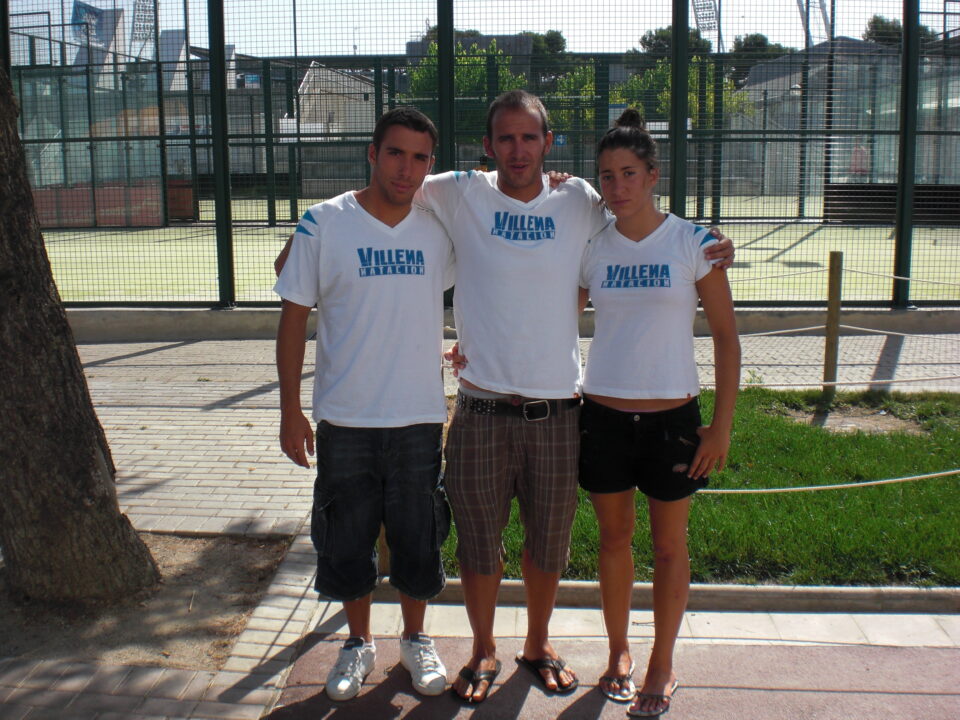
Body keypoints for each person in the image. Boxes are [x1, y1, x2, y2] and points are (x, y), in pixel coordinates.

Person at [415, 90, 735, 703]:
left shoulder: (581, 201)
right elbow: (390, 190)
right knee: (482, 543)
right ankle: (487, 650)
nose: (517, 149)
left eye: (529, 138)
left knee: (550, 543)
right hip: (487, 407)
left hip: (563, 411)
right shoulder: (458, 191)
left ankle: (539, 645)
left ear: (548, 144)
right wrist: (313, 234)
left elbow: (649, 238)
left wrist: (714, 243)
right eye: (505, 138)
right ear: (487, 146)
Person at [274, 107, 455, 702]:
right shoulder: (324, 223)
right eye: (396, 153)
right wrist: (290, 409)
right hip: (345, 418)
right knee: (348, 537)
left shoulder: (438, 225)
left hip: (419, 416)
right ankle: (357, 644)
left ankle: (414, 638)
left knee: (417, 534)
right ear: (372, 154)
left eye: (420, 157)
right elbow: (294, 314)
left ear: (431, 165)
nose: (407, 168)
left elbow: (502, 255)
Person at [577, 108, 740, 716]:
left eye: (628, 173)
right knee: (614, 540)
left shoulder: (694, 241)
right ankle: (618, 651)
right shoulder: (592, 247)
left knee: (671, 548)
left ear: (652, 175)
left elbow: (726, 337)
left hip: (674, 421)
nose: (617, 186)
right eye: (607, 176)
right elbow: (546, 318)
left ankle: (661, 662)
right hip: (604, 418)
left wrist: (720, 424)